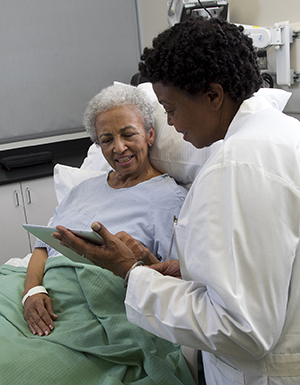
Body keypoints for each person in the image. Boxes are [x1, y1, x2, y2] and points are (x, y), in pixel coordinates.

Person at [53, 17, 300, 384]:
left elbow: (242, 330)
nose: (170, 123)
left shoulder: (235, 166)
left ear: (213, 96)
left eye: (170, 108)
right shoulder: (284, 134)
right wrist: (186, 273)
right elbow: (273, 266)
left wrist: (132, 273)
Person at [23, 83, 187, 337]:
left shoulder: (169, 199)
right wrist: (31, 292)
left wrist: (141, 258)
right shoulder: (82, 189)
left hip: (95, 312)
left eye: (128, 134)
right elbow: (42, 247)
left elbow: (177, 283)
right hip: (44, 297)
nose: (118, 148)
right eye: (107, 140)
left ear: (149, 135)